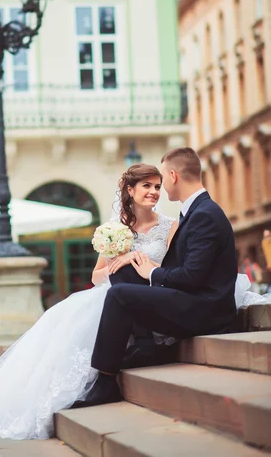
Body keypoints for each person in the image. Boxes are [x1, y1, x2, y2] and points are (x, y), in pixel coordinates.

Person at [0, 163, 176, 448]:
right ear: (130, 190)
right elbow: (96, 276)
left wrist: (140, 262)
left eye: (157, 186)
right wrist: (115, 264)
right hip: (116, 292)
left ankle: (138, 345)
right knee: (68, 319)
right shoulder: (114, 229)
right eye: (147, 186)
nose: (154, 192)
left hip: (151, 291)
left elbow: (172, 270)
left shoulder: (170, 226)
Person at [73, 147, 238, 408]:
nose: (158, 189)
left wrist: (151, 271)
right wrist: (138, 265)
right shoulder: (197, 212)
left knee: (118, 293)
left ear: (172, 176)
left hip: (206, 309)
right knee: (123, 273)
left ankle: (107, 381)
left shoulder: (204, 215)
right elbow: (187, 270)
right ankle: (144, 346)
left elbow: (192, 276)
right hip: (192, 298)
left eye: (160, 180)